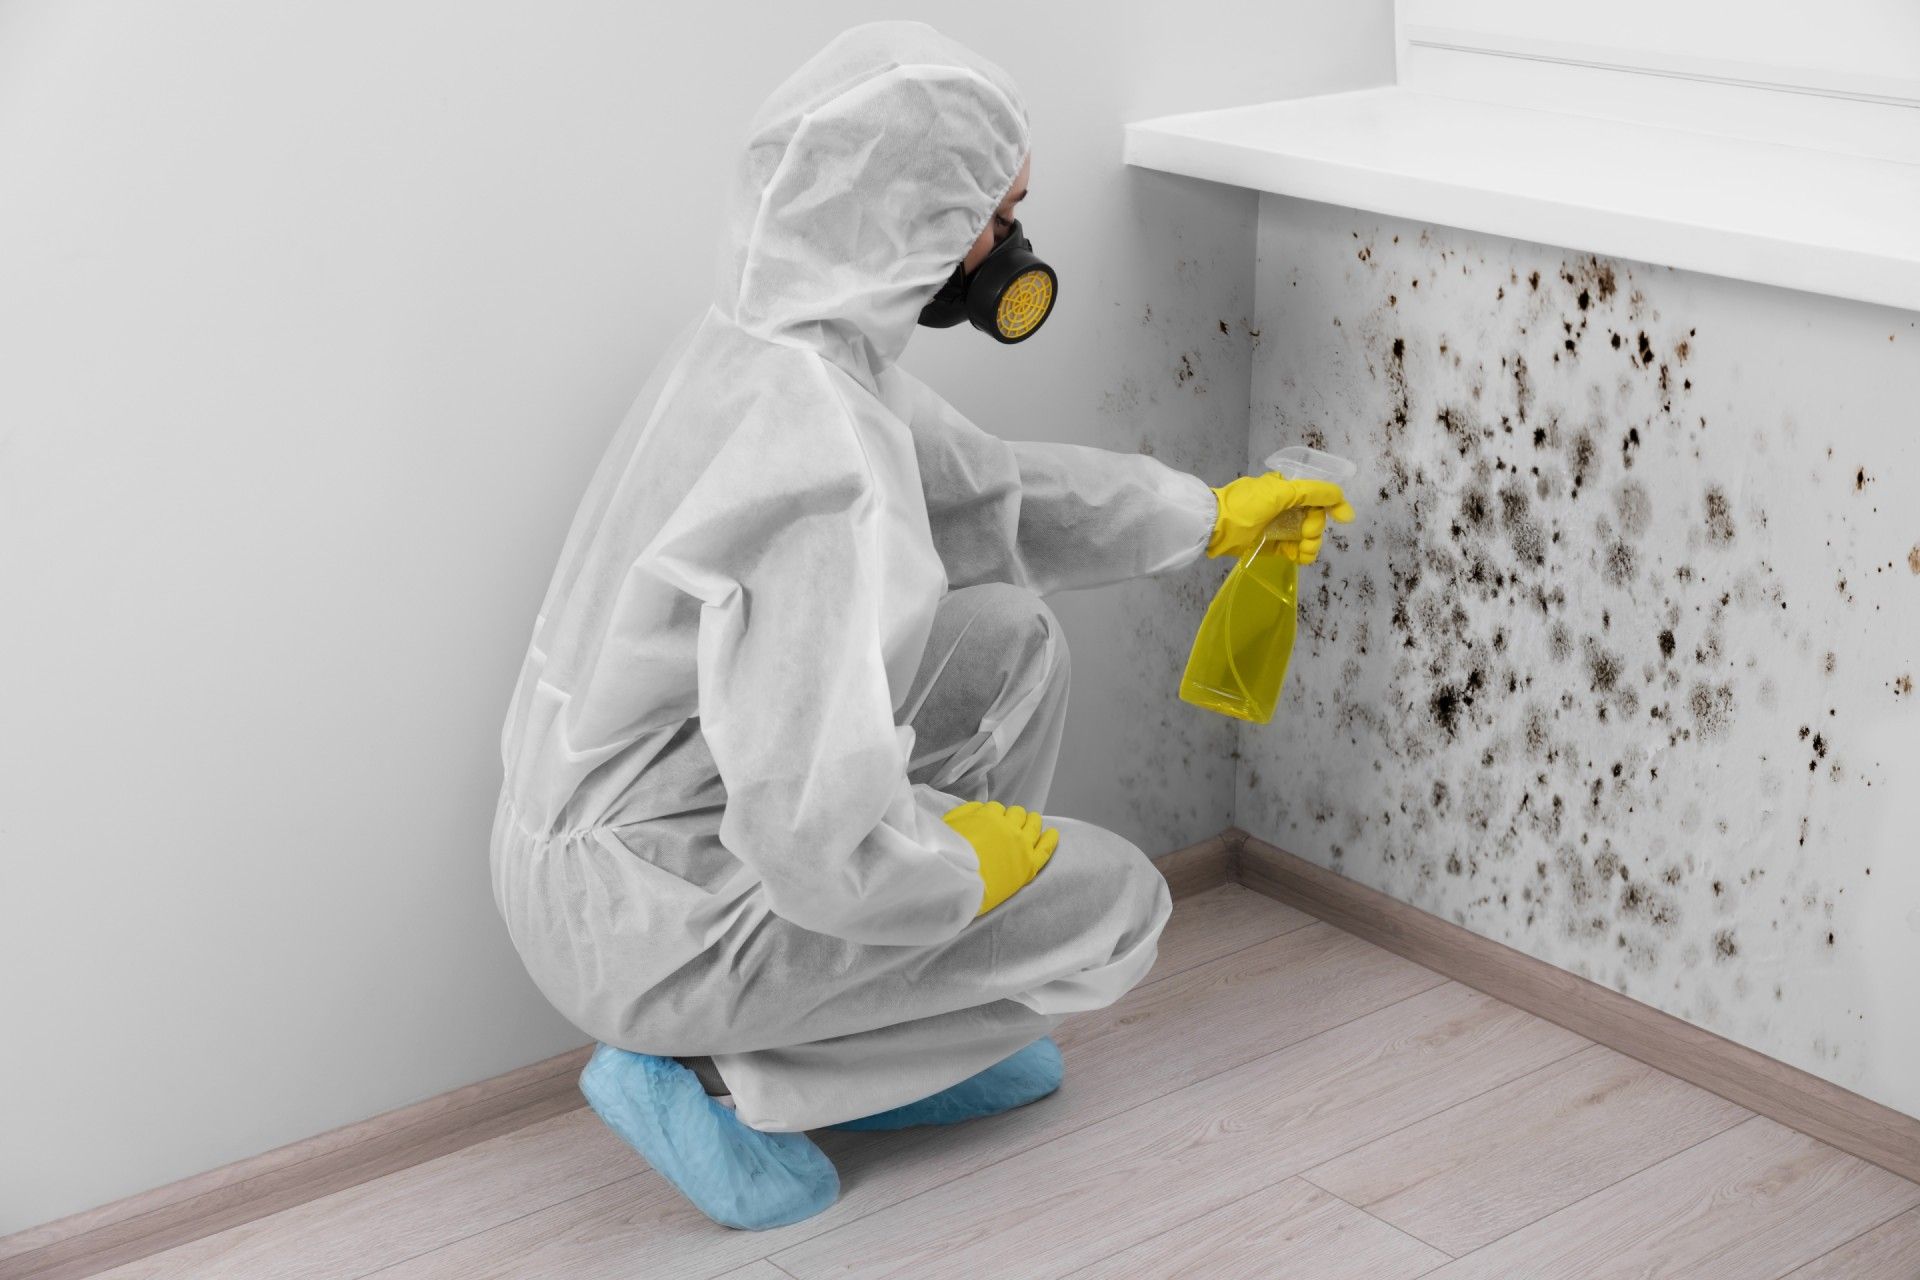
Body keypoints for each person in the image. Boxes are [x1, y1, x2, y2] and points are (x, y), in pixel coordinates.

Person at [488, 20, 1353, 1230]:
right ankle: (709, 1073)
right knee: (1113, 912)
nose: (1008, 250)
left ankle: (887, 1029)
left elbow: (996, 499)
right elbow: (800, 822)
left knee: (1007, 638)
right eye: (989, 218)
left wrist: (1208, 515)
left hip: (625, 836)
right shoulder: (813, 469)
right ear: (900, 214)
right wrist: (949, 870)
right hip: (648, 915)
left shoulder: (785, 351)